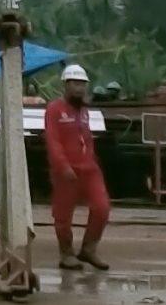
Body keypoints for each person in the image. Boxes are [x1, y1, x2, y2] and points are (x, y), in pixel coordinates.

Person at [43, 62, 109, 271]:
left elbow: (87, 139)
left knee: (102, 208)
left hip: (88, 169)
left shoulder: (84, 111)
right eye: (76, 84)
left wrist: (91, 161)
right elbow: (53, 141)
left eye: (83, 84)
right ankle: (66, 253)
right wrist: (62, 166)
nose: (80, 88)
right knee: (63, 214)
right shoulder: (54, 109)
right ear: (66, 84)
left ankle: (89, 249)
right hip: (66, 171)